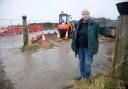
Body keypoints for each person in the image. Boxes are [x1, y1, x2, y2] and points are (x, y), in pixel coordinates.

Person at [71, 9, 115, 80]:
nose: (85, 15)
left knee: (87, 64)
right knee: (81, 62)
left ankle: (87, 78)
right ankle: (82, 76)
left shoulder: (94, 23)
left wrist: (110, 33)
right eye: (83, 14)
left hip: (89, 48)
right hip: (80, 48)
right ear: (82, 15)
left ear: (89, 15)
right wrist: (73, 44)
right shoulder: (79, 23)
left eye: (86, 14)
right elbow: (74, 35)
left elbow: (103, 29)